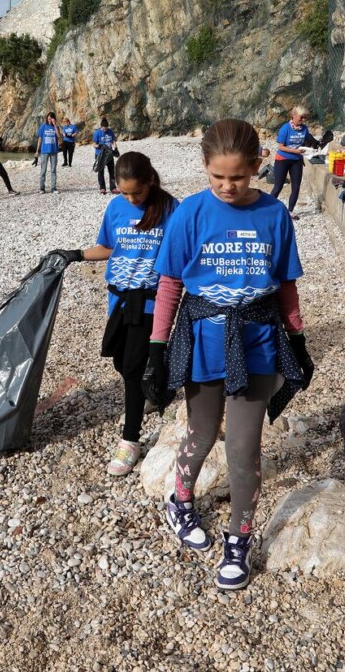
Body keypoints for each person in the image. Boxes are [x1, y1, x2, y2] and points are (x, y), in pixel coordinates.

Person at [142, 118, 314, 591]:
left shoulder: (275, 215)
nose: (227, 186)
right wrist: (157, 349)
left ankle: (238, 537)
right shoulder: (191, 213)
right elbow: (171, 284)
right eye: (217, 177)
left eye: (237, 177)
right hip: (201, 340)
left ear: (258, 166)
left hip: (257, 342)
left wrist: (297, 340)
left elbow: (287, 285)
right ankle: (179, 501)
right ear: (205, 168)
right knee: (199, 434)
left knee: (243, 448)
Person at [50, 151, 178, 476]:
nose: (132, 198)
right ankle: (154, 389)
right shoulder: (116, 207)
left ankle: (130, 440)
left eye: (137, 191)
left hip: (151, 302)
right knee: (123, 362)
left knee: (133, 368)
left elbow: (183, 255)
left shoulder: (170, 209)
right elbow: (109, 247)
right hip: (118, 300)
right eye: (125, 192)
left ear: (151, 180)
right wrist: (74, 254)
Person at [270, 107, 319, 219]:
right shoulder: (285, 128)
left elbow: (307, 141)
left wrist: (311, 149)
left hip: (296, 160)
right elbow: (281, 147)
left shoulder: (304, 129)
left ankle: (290, 211)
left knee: (296, 187)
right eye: (301, 117)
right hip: (282, 159)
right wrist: (295, 151)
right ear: (294, 115)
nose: (303, 120)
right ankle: (267, 210)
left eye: (305, 118)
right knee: (278, 186)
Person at [35, 112, 61, 194]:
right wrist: (37, 151)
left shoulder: (55, 127)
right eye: (48, 118)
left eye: (51, 118)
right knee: (43, 170)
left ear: (54, 119)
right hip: (44, 151)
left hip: (54, 151)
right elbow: (40, 139)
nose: (49, 120)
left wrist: (55, 125)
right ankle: (42, 188)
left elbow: (59, 136)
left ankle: (53, 188)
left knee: (53, 170)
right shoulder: (43, 126)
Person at [93, 118, 119, 195]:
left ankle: (113, 187)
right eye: (103, 129)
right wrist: (100, 146)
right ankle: (102, 188)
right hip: (100, 154)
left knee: (111, 171)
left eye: (106, 129)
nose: (105, 130)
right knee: (101, 171)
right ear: (101, 127)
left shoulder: (110, 131)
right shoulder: (97, 133)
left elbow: (113, 141)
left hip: (109, 154)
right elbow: (94, 144)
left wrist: (115, 148)